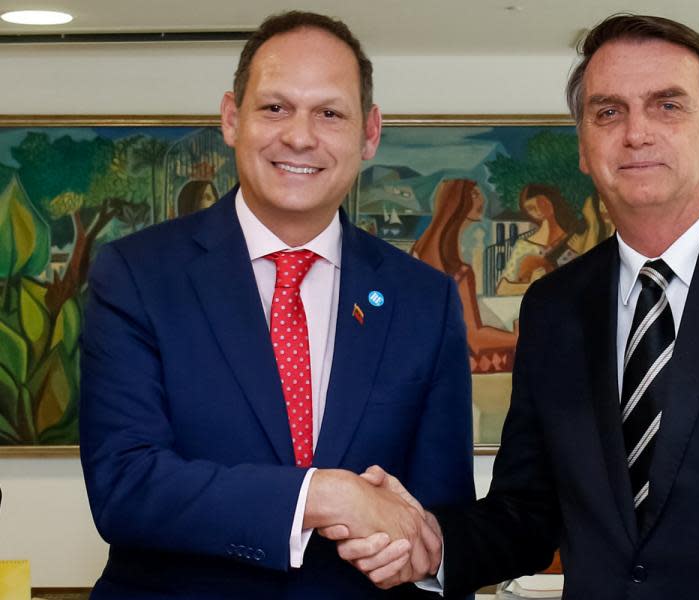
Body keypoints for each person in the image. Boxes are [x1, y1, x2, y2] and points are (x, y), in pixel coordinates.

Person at [338, 13, 699, 599]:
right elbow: (529, 511)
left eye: (668, 105)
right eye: (608, 112)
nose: (636, 132)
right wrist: (433, 542)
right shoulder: (554, 307)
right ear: (583, 146)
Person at [78, 11, 473, 599]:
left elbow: (436, 515)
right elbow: (126, 485)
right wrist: (324, 495)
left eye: (330, 113)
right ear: (232, 118)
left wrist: (424, 553)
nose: (300, 137)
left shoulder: (425, 299)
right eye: (275, 108)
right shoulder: (135, 275)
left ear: (369, 133)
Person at [411, 179, 518, 361]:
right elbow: (474, 339)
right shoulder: (458, 271)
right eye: (474, 194)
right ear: (456, 202)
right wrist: (516, 338)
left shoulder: (418, 251)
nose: (482, 199)